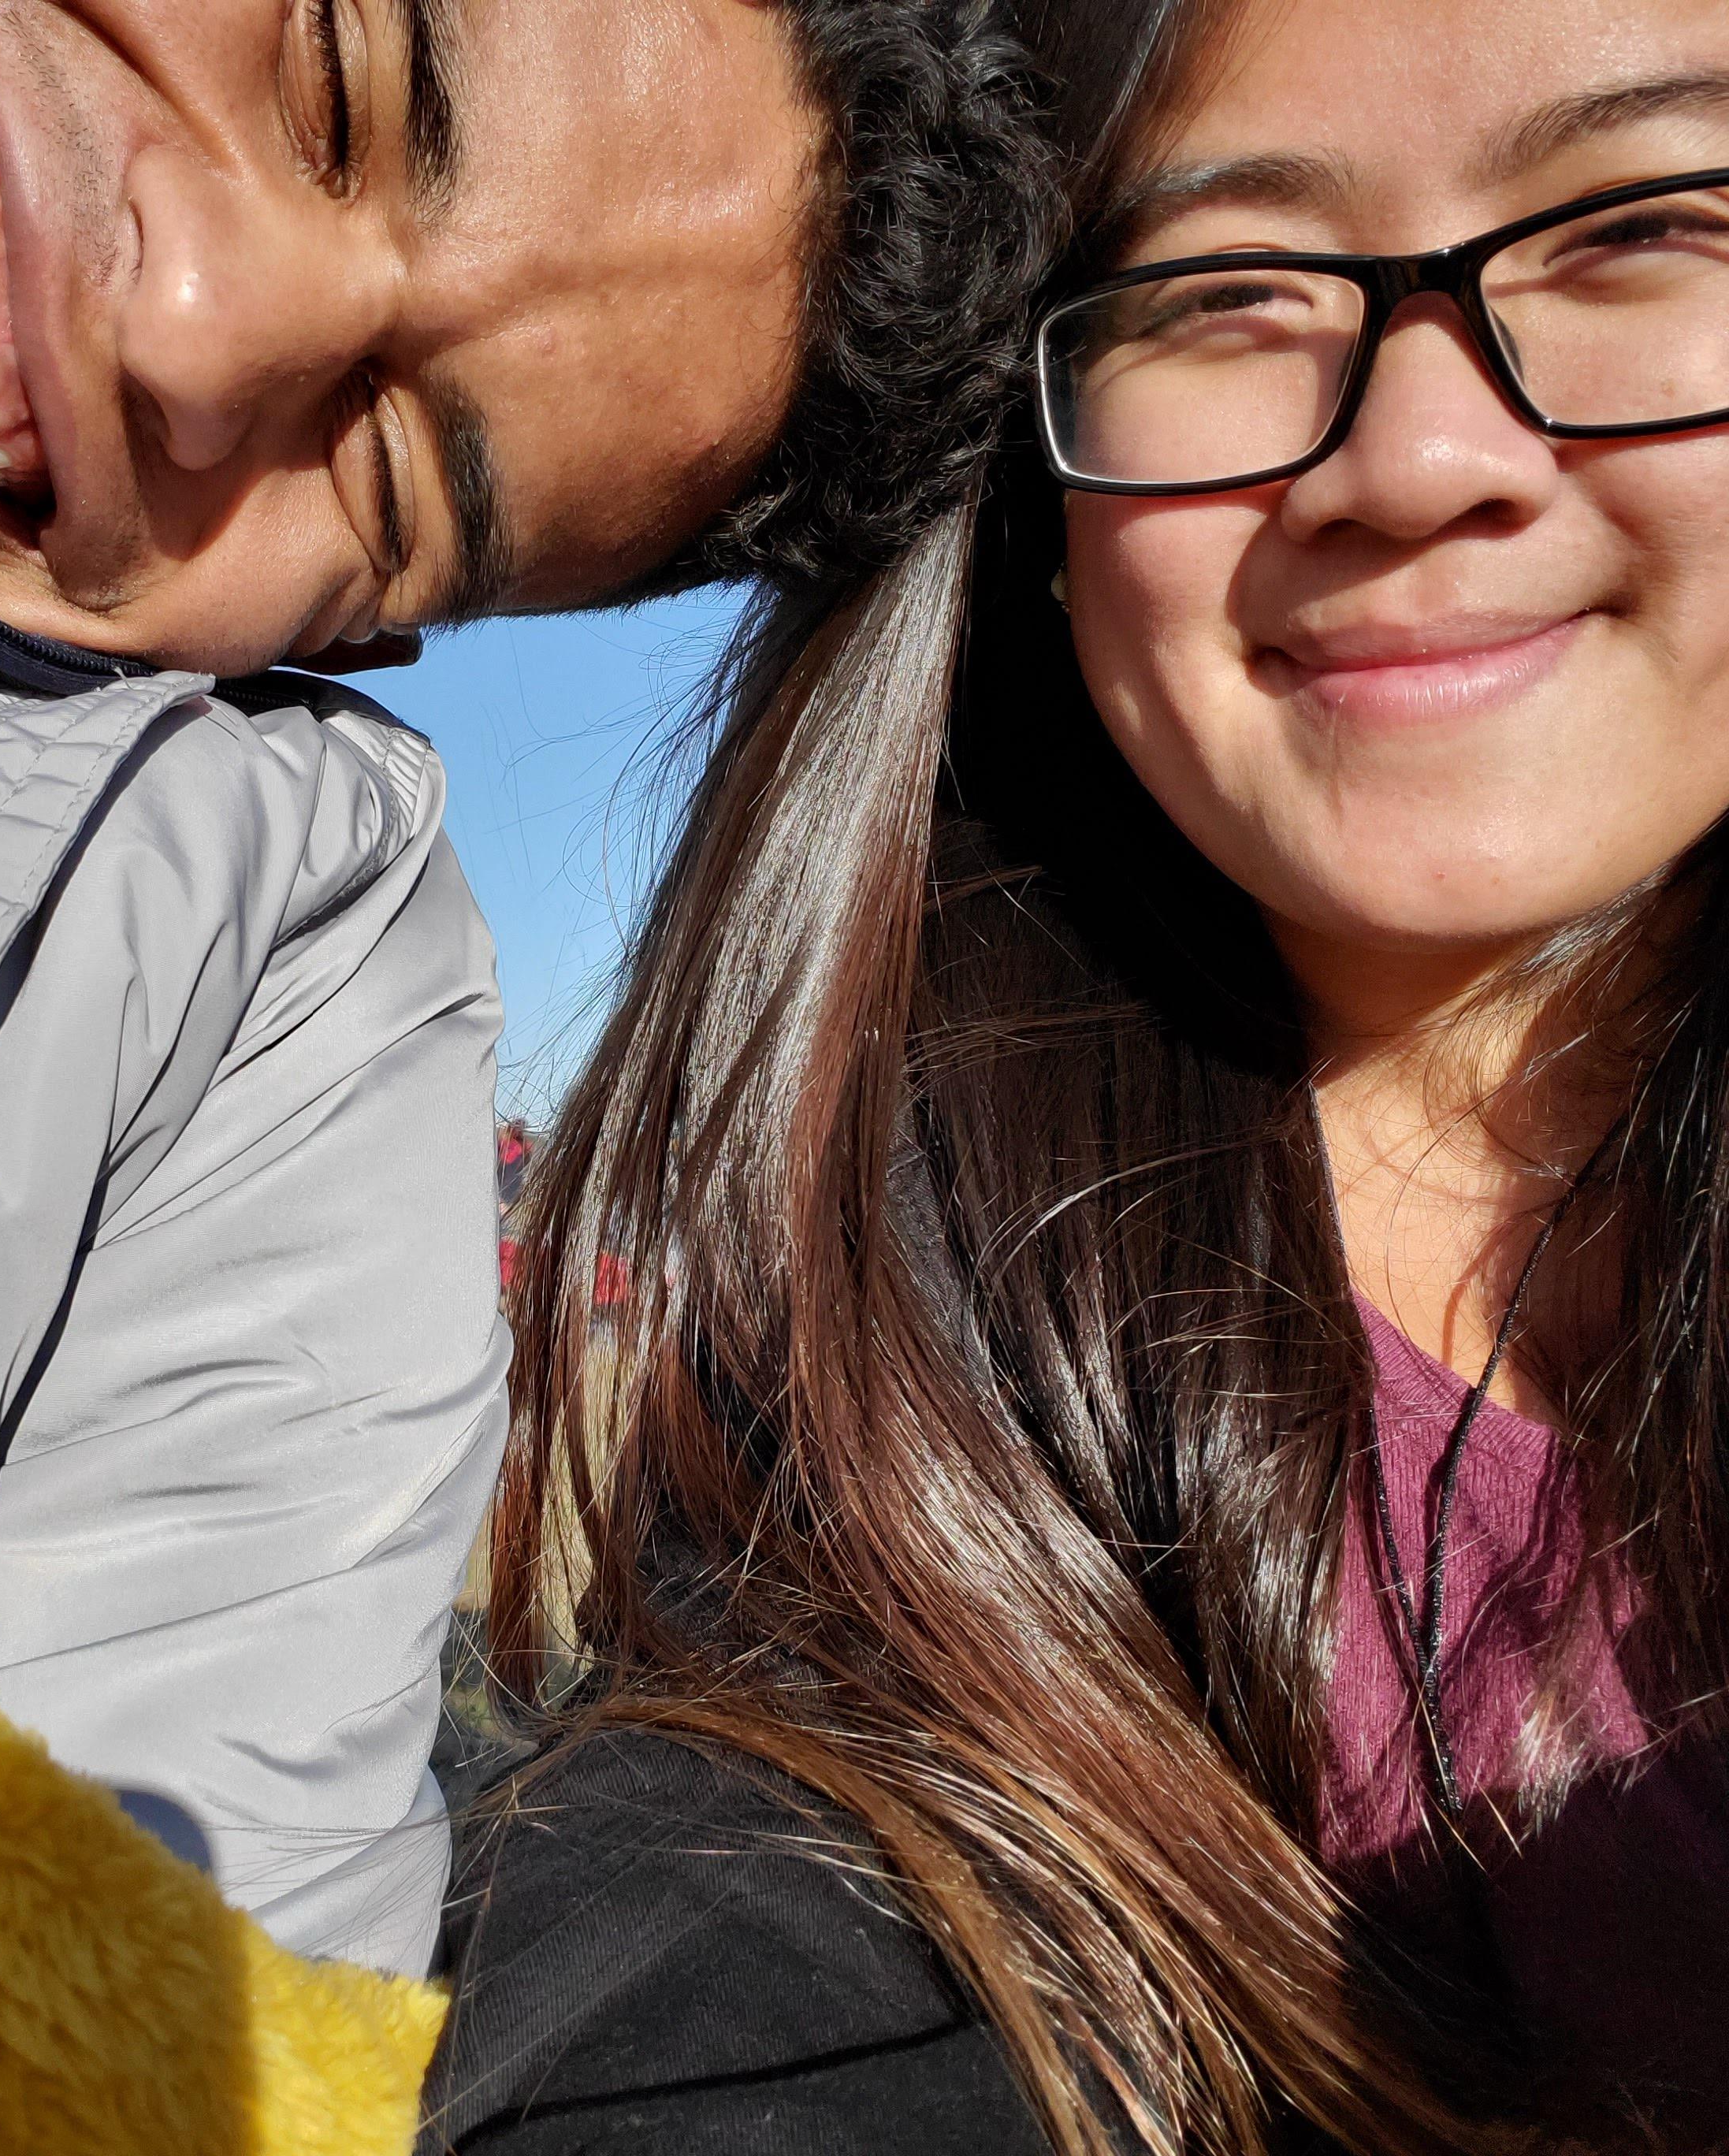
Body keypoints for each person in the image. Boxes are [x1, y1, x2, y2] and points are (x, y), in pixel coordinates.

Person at [0, 0, 1050, 1976]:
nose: (192, 341)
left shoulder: (251, 995)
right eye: (341, 74)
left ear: (338, 648)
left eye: (387, 481)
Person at [426, 0, 1729, 2144]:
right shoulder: (879, 1435)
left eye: (1636, 230)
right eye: (1225, 292)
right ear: (1036, 480)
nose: (1419, 460)